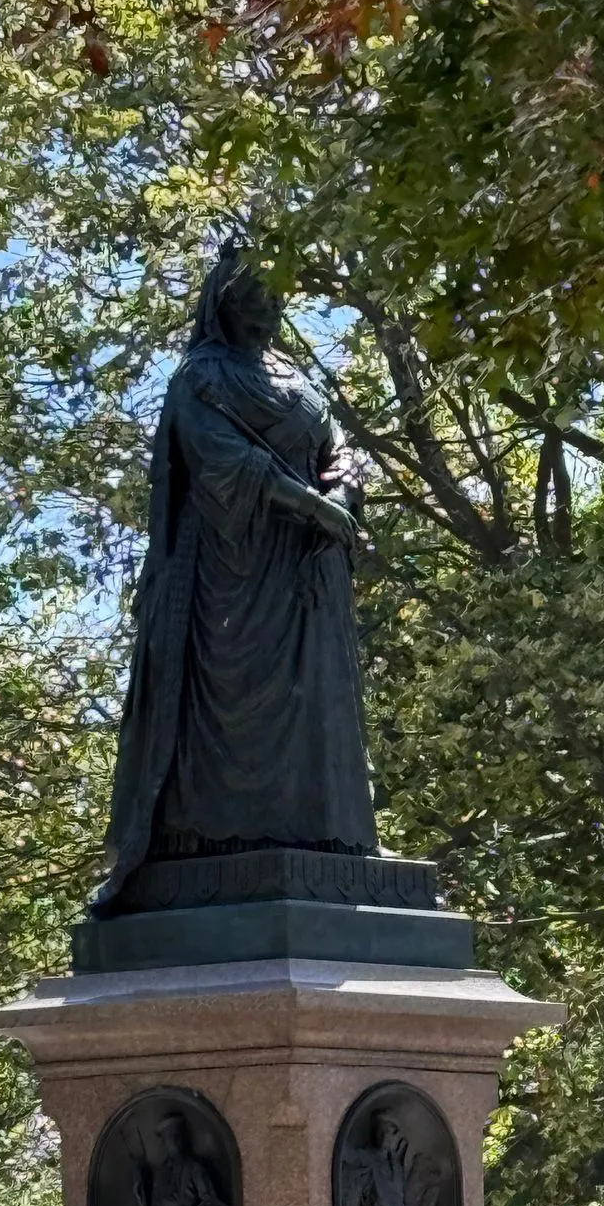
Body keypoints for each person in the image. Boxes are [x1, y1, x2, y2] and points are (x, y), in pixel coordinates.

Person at [96, 246, 377, 907]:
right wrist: (314, 507)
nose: (269, 304)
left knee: (317, 696)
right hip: (231, 568)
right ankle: (214, 839)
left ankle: (326, 833)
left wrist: (342, 498)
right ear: (224, 301)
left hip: (308, 573)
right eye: (254, 293)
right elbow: (226, 461)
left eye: (275, 292)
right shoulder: (199, 377)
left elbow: (339, 447)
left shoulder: (297, 379)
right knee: (235, 697)